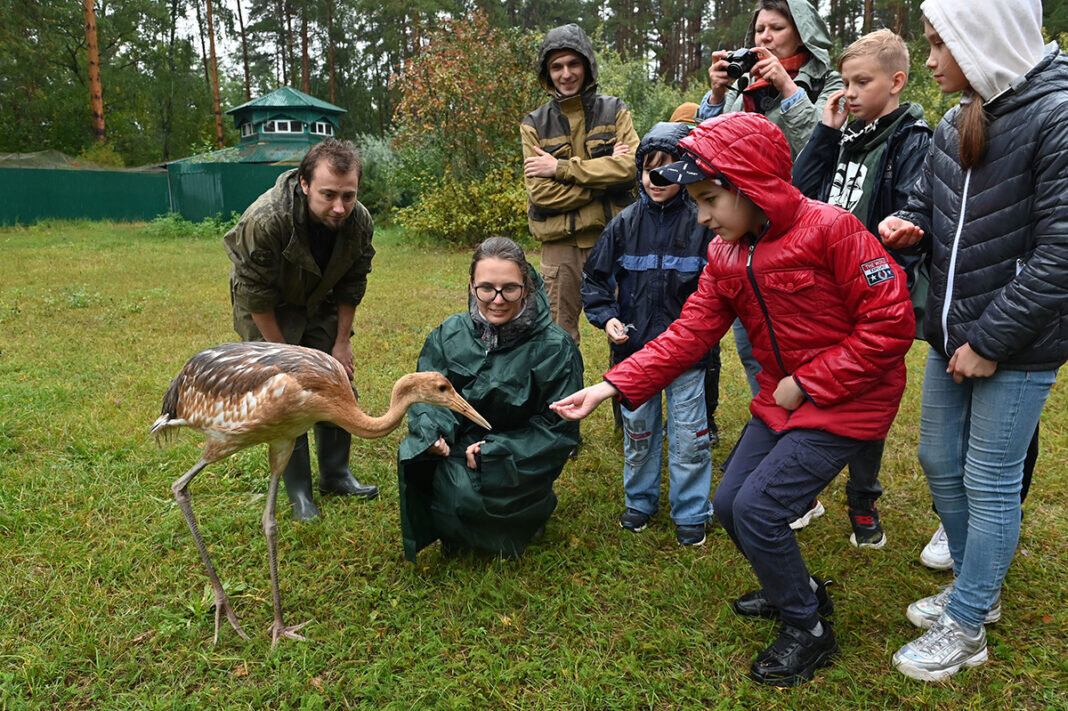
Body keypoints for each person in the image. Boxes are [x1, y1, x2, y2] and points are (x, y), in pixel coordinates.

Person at [552, 112, 915, 686]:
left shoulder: (833, 230)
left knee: (759, 509)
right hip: (784, 401)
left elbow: (891, 324)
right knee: (729, 506)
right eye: (695, 201)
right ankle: (795, 588)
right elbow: (689, 333)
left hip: (848, 403)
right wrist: (610, 386)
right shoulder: (725, 254)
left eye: (709, 199)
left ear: (752, 184)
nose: (699, 216)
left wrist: (811, 381)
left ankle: (809, 628)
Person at [881, 0, 1068, 682]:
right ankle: (975, 596)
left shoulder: (1057, 116)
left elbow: (1061, 253)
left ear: (982, 38)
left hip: (1017, 344)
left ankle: (967, 625)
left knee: (990, 480)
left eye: (939, 44)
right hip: (952, 335)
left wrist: (990, 340)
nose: (928, 60)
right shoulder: (957, 121)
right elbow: (935, 209)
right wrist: (909, 222)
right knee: (936, 458)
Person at [792, 28, 933, 549]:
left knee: (869, 397)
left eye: (861, 82)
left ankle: (863, 498)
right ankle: (804, 490)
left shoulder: (915, 140)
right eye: (845, 82)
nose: (848, 93)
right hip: (823, 288)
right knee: (812, 381)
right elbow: (798, 193)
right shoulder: (845, 135)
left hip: (874, 295)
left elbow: (917, 221)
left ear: (896, 82)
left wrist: (891, 261)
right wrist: (825, 133)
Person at [696, 0, 844, 432]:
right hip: (747, 233)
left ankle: (816, 428)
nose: (764, 37)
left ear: (801, 33)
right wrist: (718, 96)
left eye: (776, 28)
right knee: (754, 343)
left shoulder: (826, 82)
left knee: (804, 342)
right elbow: (711, 150)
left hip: (804, 231)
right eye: (759, 29)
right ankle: (777, 424)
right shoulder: (745, 86)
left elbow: (824, 143)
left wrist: (787, 89)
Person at [397, 237, 582, 561]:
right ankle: (455, 524)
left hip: (518, 453)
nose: (497, 300)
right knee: (420, 457)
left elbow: (558, 429)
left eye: (509, 288)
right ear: (471, 286)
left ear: (526, 287)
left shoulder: (556, 348)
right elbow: (427, 396)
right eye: (486, 288)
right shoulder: (449, 333)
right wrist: (434, 432)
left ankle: (520, 521)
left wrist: (498, 449)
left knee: (474, 488)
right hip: (458, 442)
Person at [224, 138, 378, 521]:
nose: (340, 207)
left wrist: (341, 344)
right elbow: (254, 294)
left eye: (348, 195)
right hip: (268, 307)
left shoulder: (359, 221)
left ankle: (336, 475)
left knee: (336, 382)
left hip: (320, 299)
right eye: (328, 195)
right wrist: (286, 359)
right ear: (304, 183)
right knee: (288, 398)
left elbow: (352, 283)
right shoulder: (266, 219)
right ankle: (298, 494)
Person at [581, 122, 716, 547]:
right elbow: (594, 282)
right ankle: (639, 502)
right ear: (638, 171)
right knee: (638, 433)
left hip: (689, 356)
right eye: (648, 169)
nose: (656, 179)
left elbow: (720, 288)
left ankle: (692, 510)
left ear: (687, 171)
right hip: (633, 353)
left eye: (668, 169)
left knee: (691, 436)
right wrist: (607, 318)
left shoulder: (704, 223)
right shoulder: (622, 225)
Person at [521, 23, 641, 344]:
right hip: (561, 249)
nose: (566, 73)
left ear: (587, 66)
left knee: (628, 330)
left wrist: (559, 168)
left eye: (573, 63)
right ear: (547, 73)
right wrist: (607, 176)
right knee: (559, 339)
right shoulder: (534, 124)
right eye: (556, 66)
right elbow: (541, 193)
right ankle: (566, 396)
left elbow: (631, 168)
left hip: (615, 239)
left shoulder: (614, 110)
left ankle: (627, 395)